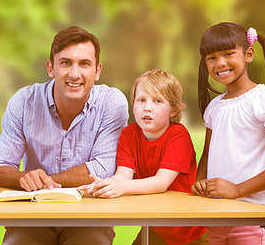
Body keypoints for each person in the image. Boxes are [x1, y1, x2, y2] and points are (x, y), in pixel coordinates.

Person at [0, 25, 129, 245]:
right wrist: (21, 177)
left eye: (84, 64)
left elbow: (102, 169)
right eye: (66, 63)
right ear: (51, 68)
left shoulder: (112, 103)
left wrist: (45, 184)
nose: (74, 74)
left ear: (97, 71)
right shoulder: (23, 102)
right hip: (33, 216)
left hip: (89, 217)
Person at [192, 22, 265, 244]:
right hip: (215, 217)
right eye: (211, 57)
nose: (219, 63)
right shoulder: (214, 107)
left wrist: (237, 189)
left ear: (248, 54)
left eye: (228, 54)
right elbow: (207, 155)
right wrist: (200, 181)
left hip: (252, 219)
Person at [78, 69, 208, 245]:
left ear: (173, 110)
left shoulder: (179, 135)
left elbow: (161, 182)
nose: (147, 107)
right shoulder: (128, 134)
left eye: (157, 101)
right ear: (133, 106)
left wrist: (121, 187)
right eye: (141, 100)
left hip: (189, 232)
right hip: (155, 228)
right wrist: (107, 185)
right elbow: (123, 175)